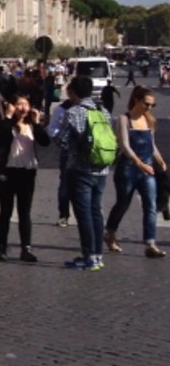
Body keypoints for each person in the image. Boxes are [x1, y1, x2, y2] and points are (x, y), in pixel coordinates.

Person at [54, 76, 113, 270]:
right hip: (102, 169)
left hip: (80, 169)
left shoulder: (74, 112)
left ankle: (88, 256)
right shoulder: (103, 111)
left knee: (83, 214)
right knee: (96, 211)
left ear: (74, 92)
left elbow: (61, 140)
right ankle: (98, 256)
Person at [103, 86, 167, 258]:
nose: (149, 108)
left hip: (147, 168)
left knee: (151, 205)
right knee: (123, 203)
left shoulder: (149, 120)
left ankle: (150, 243)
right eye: (147, 104)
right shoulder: (124, 119)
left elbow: (151, 144)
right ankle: (110, 233)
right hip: (128, 169)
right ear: (137, 100)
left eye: (152, 105)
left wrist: (159, 160)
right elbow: (124, 146)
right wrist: (139, 163)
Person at [0, 95, 50, 262]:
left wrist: (37, 121)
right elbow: (1, 136)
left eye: (25, 104)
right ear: (12, 106)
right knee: (6, 211)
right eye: (19, 104)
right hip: (8, 172)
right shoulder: (5, 123)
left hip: (27, 172)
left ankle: (26, 248)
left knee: (24, 212)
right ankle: (1, 248)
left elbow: (45, 141)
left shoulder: (32, 125)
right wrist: (9, 116)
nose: (22, 107)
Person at [48, 85, 79, 227]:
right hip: (68, 152)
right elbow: (52, 130)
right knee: (65, 184)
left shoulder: (94, 110)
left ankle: (84, 214)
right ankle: (64, 214)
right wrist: (63, 140)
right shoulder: (61, 110)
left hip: (87, 153)